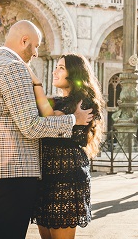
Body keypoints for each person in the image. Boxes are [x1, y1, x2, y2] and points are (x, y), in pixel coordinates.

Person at [0, 20, 93, 239]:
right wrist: (73, 120)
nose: (35, 54)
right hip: (11, 170)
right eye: (35, 46)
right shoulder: (14, 68)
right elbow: (31, 126)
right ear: (24, 41)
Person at [30, 53, 103, 239]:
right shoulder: (56, 100)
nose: (55, 71)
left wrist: (37, 85)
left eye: (61, 68)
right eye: (56, 67)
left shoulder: (84, 101)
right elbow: (44, 123)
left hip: (67, 178)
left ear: (75, 73)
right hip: (44, 177)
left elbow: (49, 119)